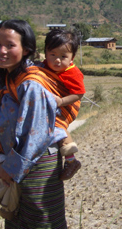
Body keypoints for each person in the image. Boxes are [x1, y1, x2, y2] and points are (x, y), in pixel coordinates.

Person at [0, 19, 67, 228]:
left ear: (26, 50)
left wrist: (10, 169)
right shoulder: (8, 77)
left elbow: (36, 135)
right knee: (15, 219)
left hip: (37, 166)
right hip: (17, 164)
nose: (1, 51)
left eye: (10, 45)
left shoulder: (32, 84)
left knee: (41, 222)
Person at [42, 29, 85, 180]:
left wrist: (61, 101)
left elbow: (79, 93)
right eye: (52, 54)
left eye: (63, 56)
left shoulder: (72, 72)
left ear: (72, 58)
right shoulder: (43, 67)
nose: (57, 60)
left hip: (69, 103)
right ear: (45, 52)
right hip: (59, 102)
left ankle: (71, 160)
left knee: (57, 124)